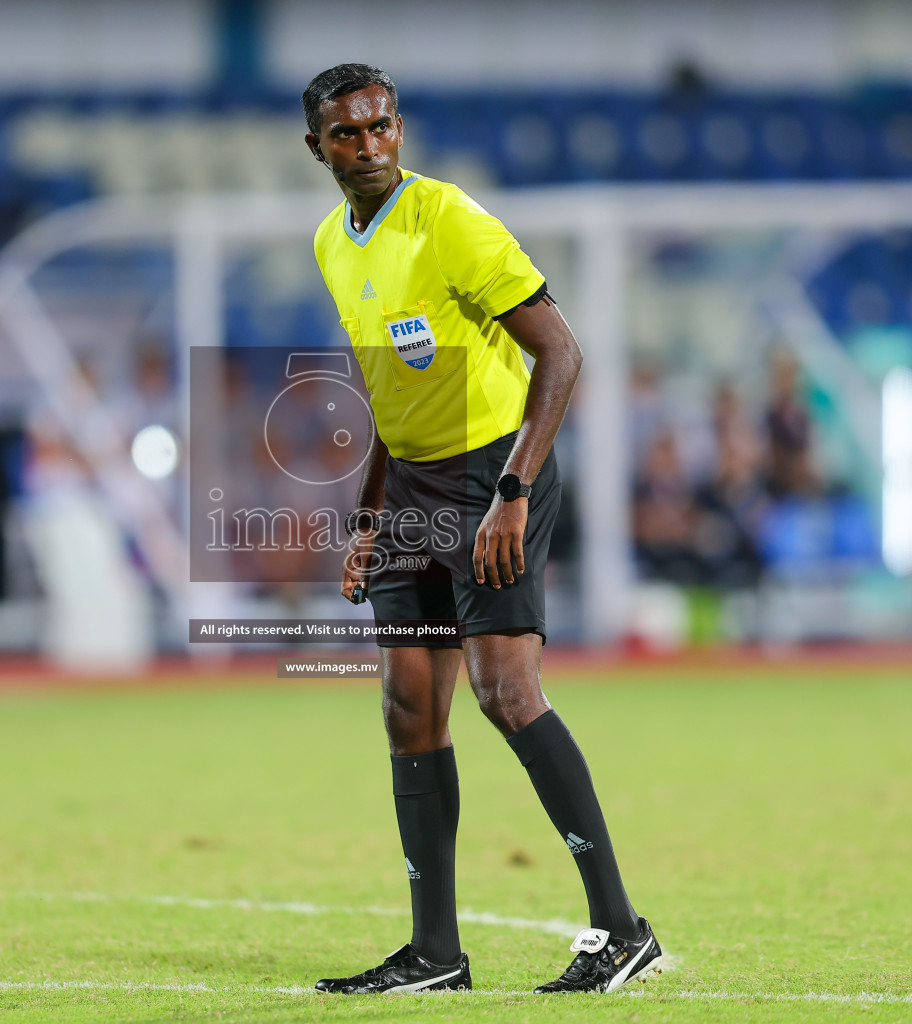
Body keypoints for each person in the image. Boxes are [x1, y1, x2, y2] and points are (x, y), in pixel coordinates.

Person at [303, 64, 664, 995]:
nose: (369, 145)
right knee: (407, 707)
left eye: (380, 126)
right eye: (347, 134)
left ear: (399, 129)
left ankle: (622, 930)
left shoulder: (451, 219)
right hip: (413, 488)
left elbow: (561, 349)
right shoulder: (331, 245)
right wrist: (369, 516)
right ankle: (434, 956)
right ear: (319, 148)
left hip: (496, 472)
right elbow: (387, 391)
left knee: (507, 691)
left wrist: (513, 487)